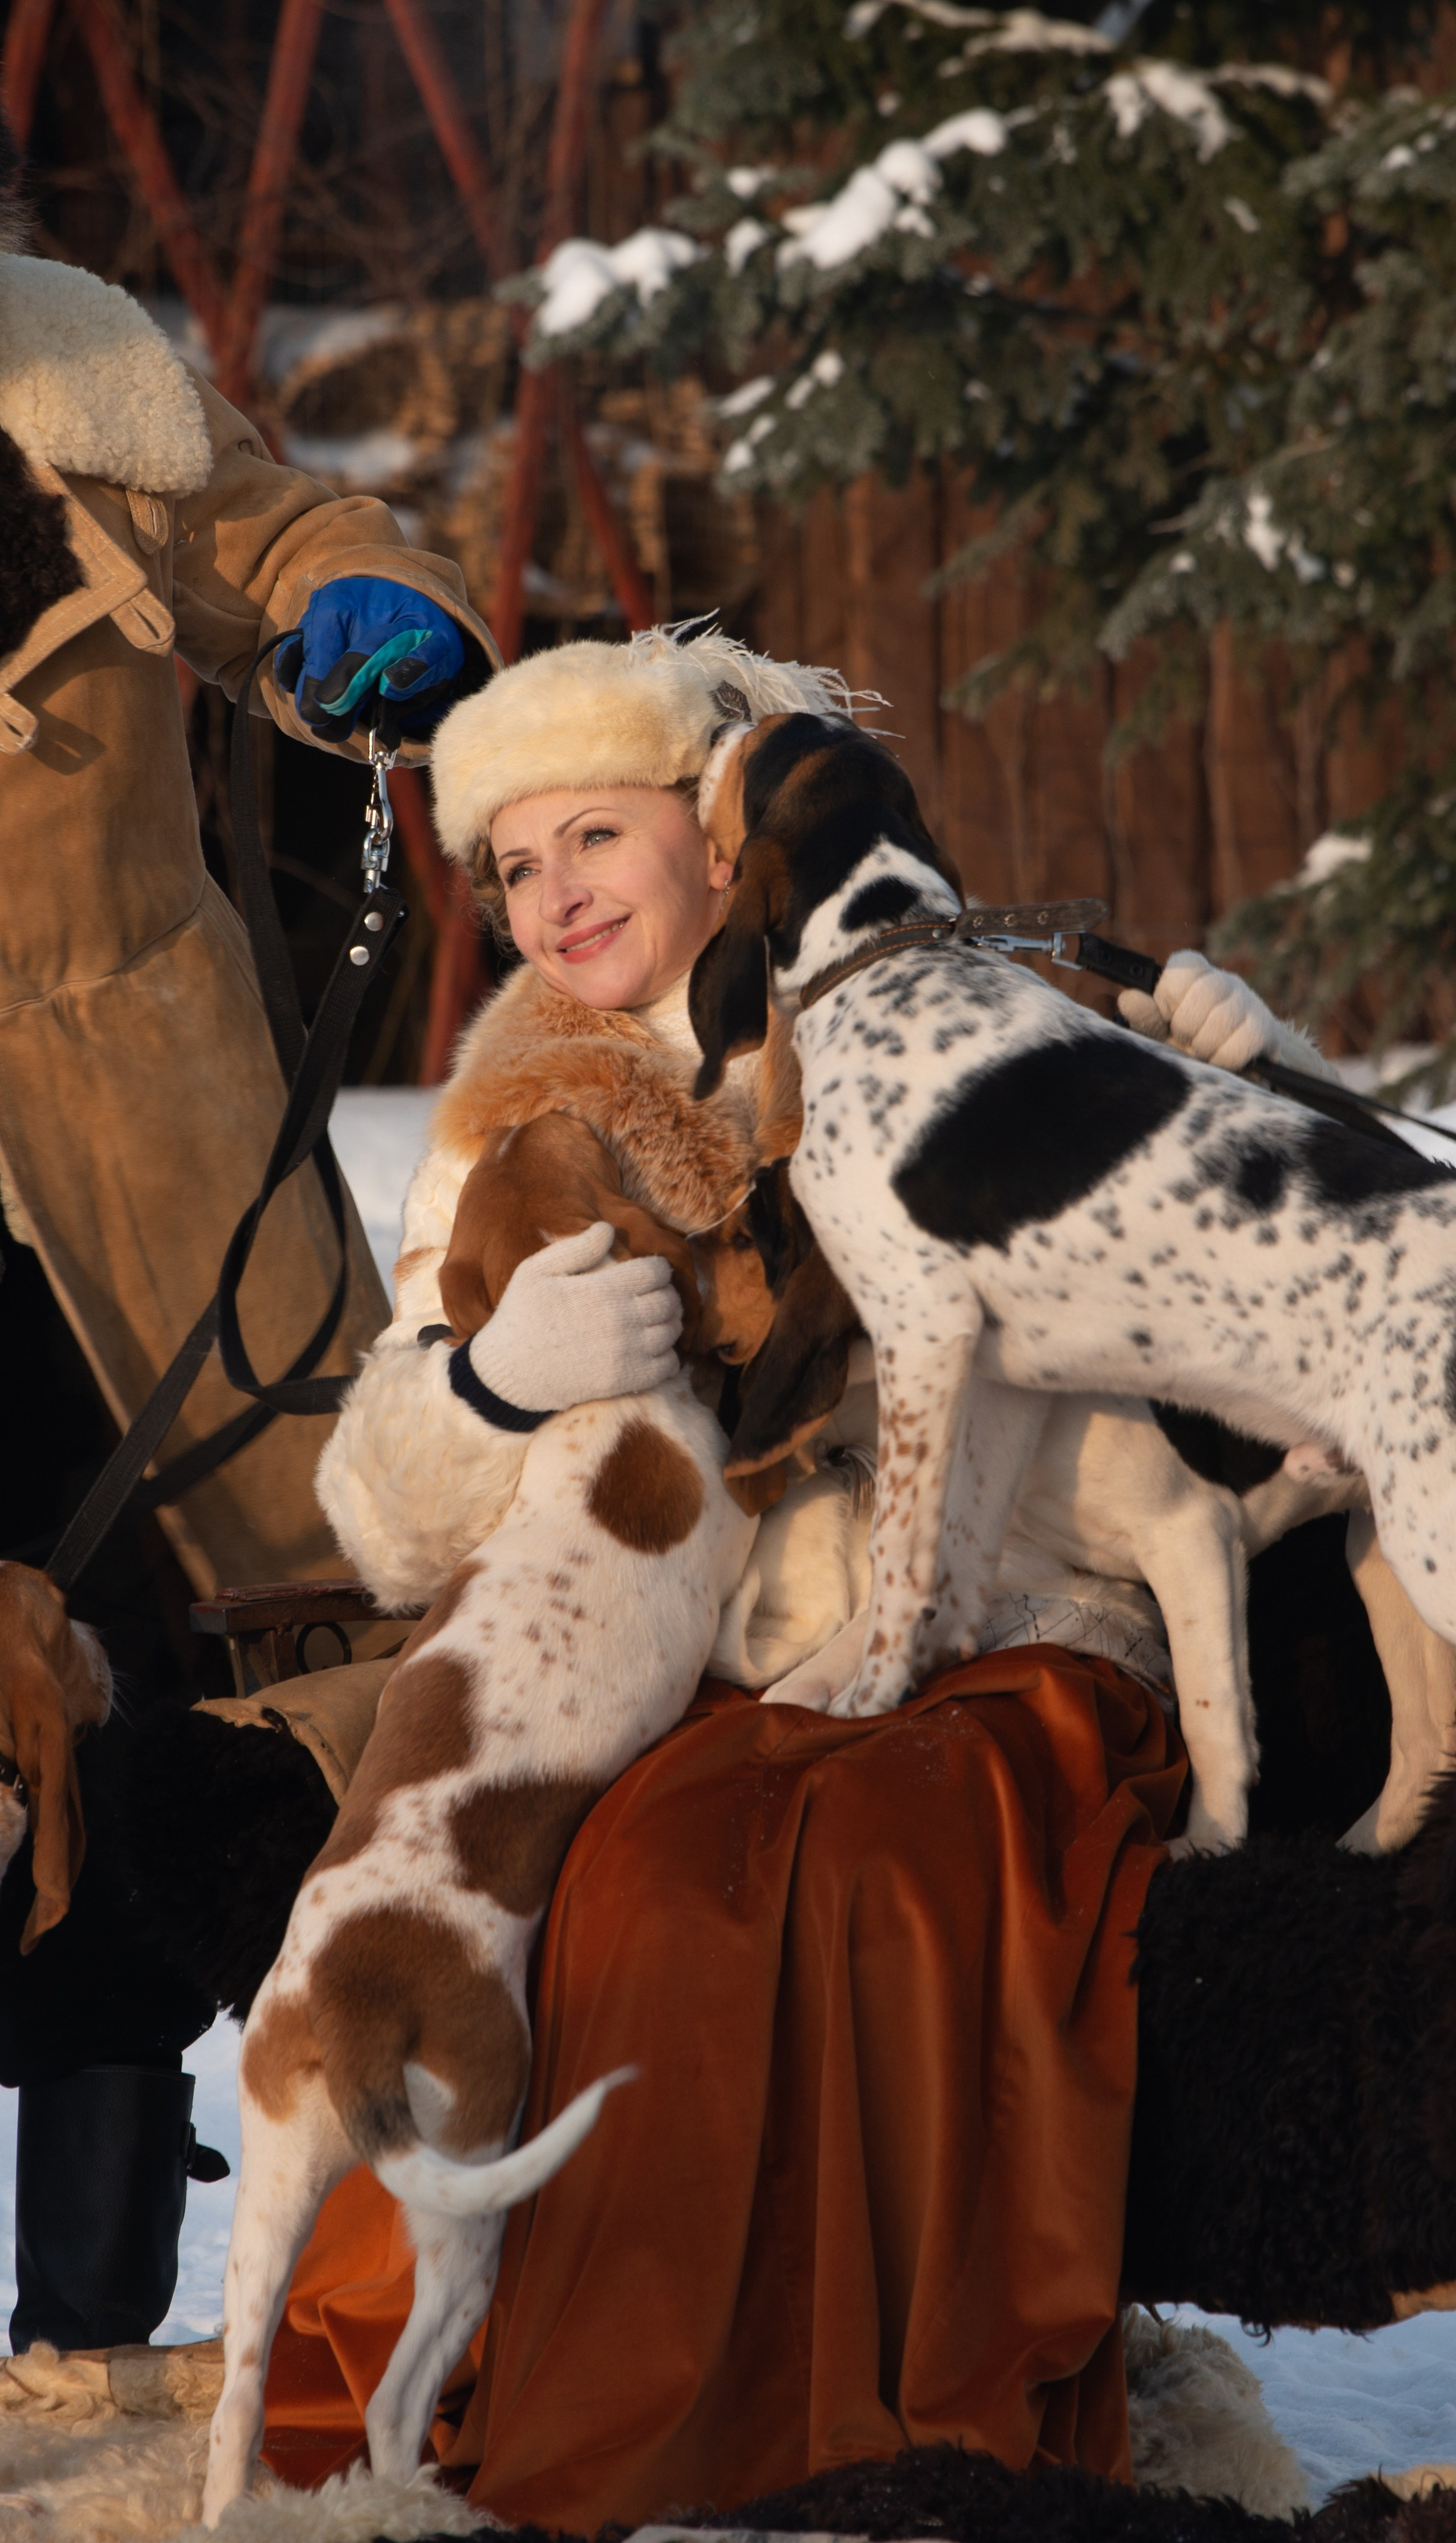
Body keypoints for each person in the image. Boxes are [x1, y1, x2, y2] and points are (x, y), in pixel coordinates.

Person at [263, 625, 1336, 2519]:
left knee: (872, 1873)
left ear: (712, 834)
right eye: (514, 866)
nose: (556, 895)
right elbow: (382, 1508)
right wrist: (493, 1387)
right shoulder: (521, 1116)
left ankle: (887, 2428)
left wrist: (1282, 1070)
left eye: (596, 836)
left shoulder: (938, 993)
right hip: (741, 1666)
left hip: (1028, 1607)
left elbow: (1244, 1229)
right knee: (654, 1889)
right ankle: (625, 2433)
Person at [0, 117, 498, 2356]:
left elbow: (280, 528)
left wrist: (345, 613)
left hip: (142, 1147)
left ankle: (96, 2351)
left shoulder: (73, 391)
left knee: (213, 1719)